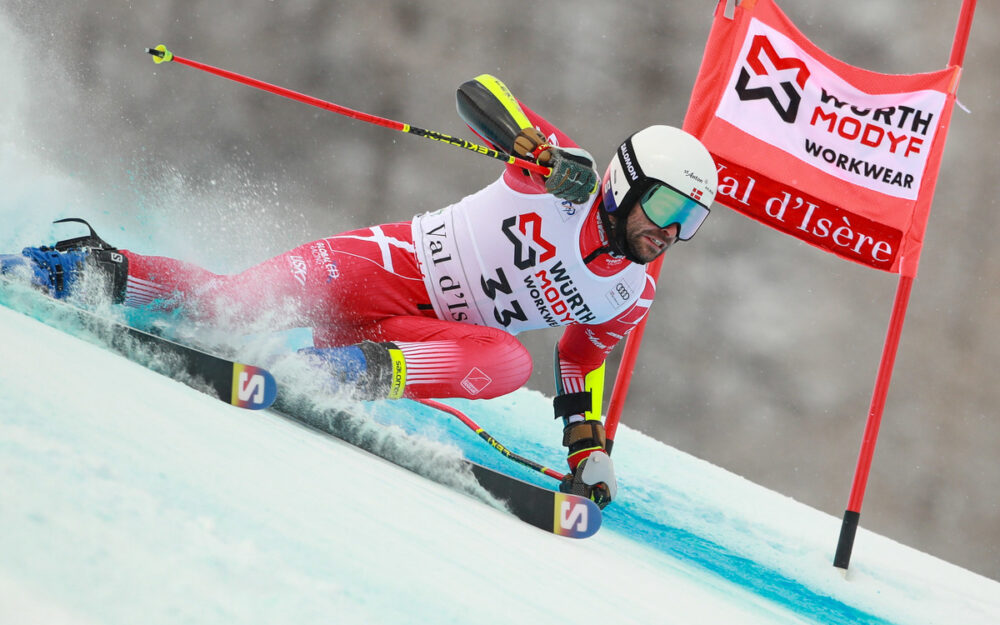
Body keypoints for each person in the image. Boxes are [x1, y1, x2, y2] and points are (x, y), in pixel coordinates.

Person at [0, 74, 717, 508]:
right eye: (663, 209)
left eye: (688, 223)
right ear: (626, 184)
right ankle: (87, 266)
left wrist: (586, 444)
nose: (668, 233)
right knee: (225, 308)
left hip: (409, 342)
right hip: (379, 269)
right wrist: (531, 144)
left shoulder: (631, 291)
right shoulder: (573, 176)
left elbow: (578, 360)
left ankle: (337, 373)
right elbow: (477, 93)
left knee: (510, 363)